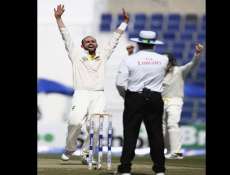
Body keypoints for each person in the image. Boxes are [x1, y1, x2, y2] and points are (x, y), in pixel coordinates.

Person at [53, 4, 129, 163]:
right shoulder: (76, 55)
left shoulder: (103, 55)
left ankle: (87, 154)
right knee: (74, 121)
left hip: (98, 95)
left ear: (97, 44)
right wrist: (59, 18)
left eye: (93, 41)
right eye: (87, 41)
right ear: (82, 46)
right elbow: (65, 36)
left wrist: (124, 23)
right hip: (81, 93)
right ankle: (70, 148)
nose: (91, 42)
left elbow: (114, 40)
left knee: (95, 127)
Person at [116, 30, 168, 175]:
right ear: (154, 44)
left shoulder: (129, 59)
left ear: (138, 43)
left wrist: (126, 96)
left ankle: (125, 168)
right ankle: (160, 170)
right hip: (155, 98)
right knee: (156, 134)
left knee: (130, 134)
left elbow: (120, 83)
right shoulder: (163, 59)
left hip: (134, 97)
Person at [162, 43, 204, 159]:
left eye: (166, 61)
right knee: (163, 128)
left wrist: (197, 54)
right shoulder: (159, 73)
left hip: (175, 101)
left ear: (171, 62)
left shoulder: (179, 71)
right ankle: (169, 150)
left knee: (172, 123)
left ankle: (177, 152)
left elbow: (192, 64)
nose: (164, 64)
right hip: (161, 102)